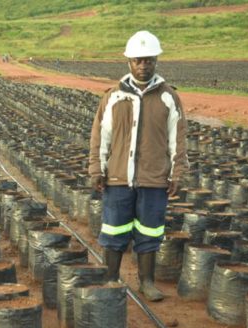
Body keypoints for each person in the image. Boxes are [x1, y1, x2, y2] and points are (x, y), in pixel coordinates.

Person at [88, 30, 188, 302]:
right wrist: (96, 170)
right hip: (118, 178)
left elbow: (176, 139)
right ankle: (111, 278)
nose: (143, 65)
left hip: (154, 180)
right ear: (129, 62)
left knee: (149, 232)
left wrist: (177, 173)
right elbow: (100, 137)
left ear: (156, 61)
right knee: (114, 231)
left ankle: (147, 282)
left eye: (148, 60)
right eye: (138, 61)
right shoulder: (113, 97)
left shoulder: (168, 97)